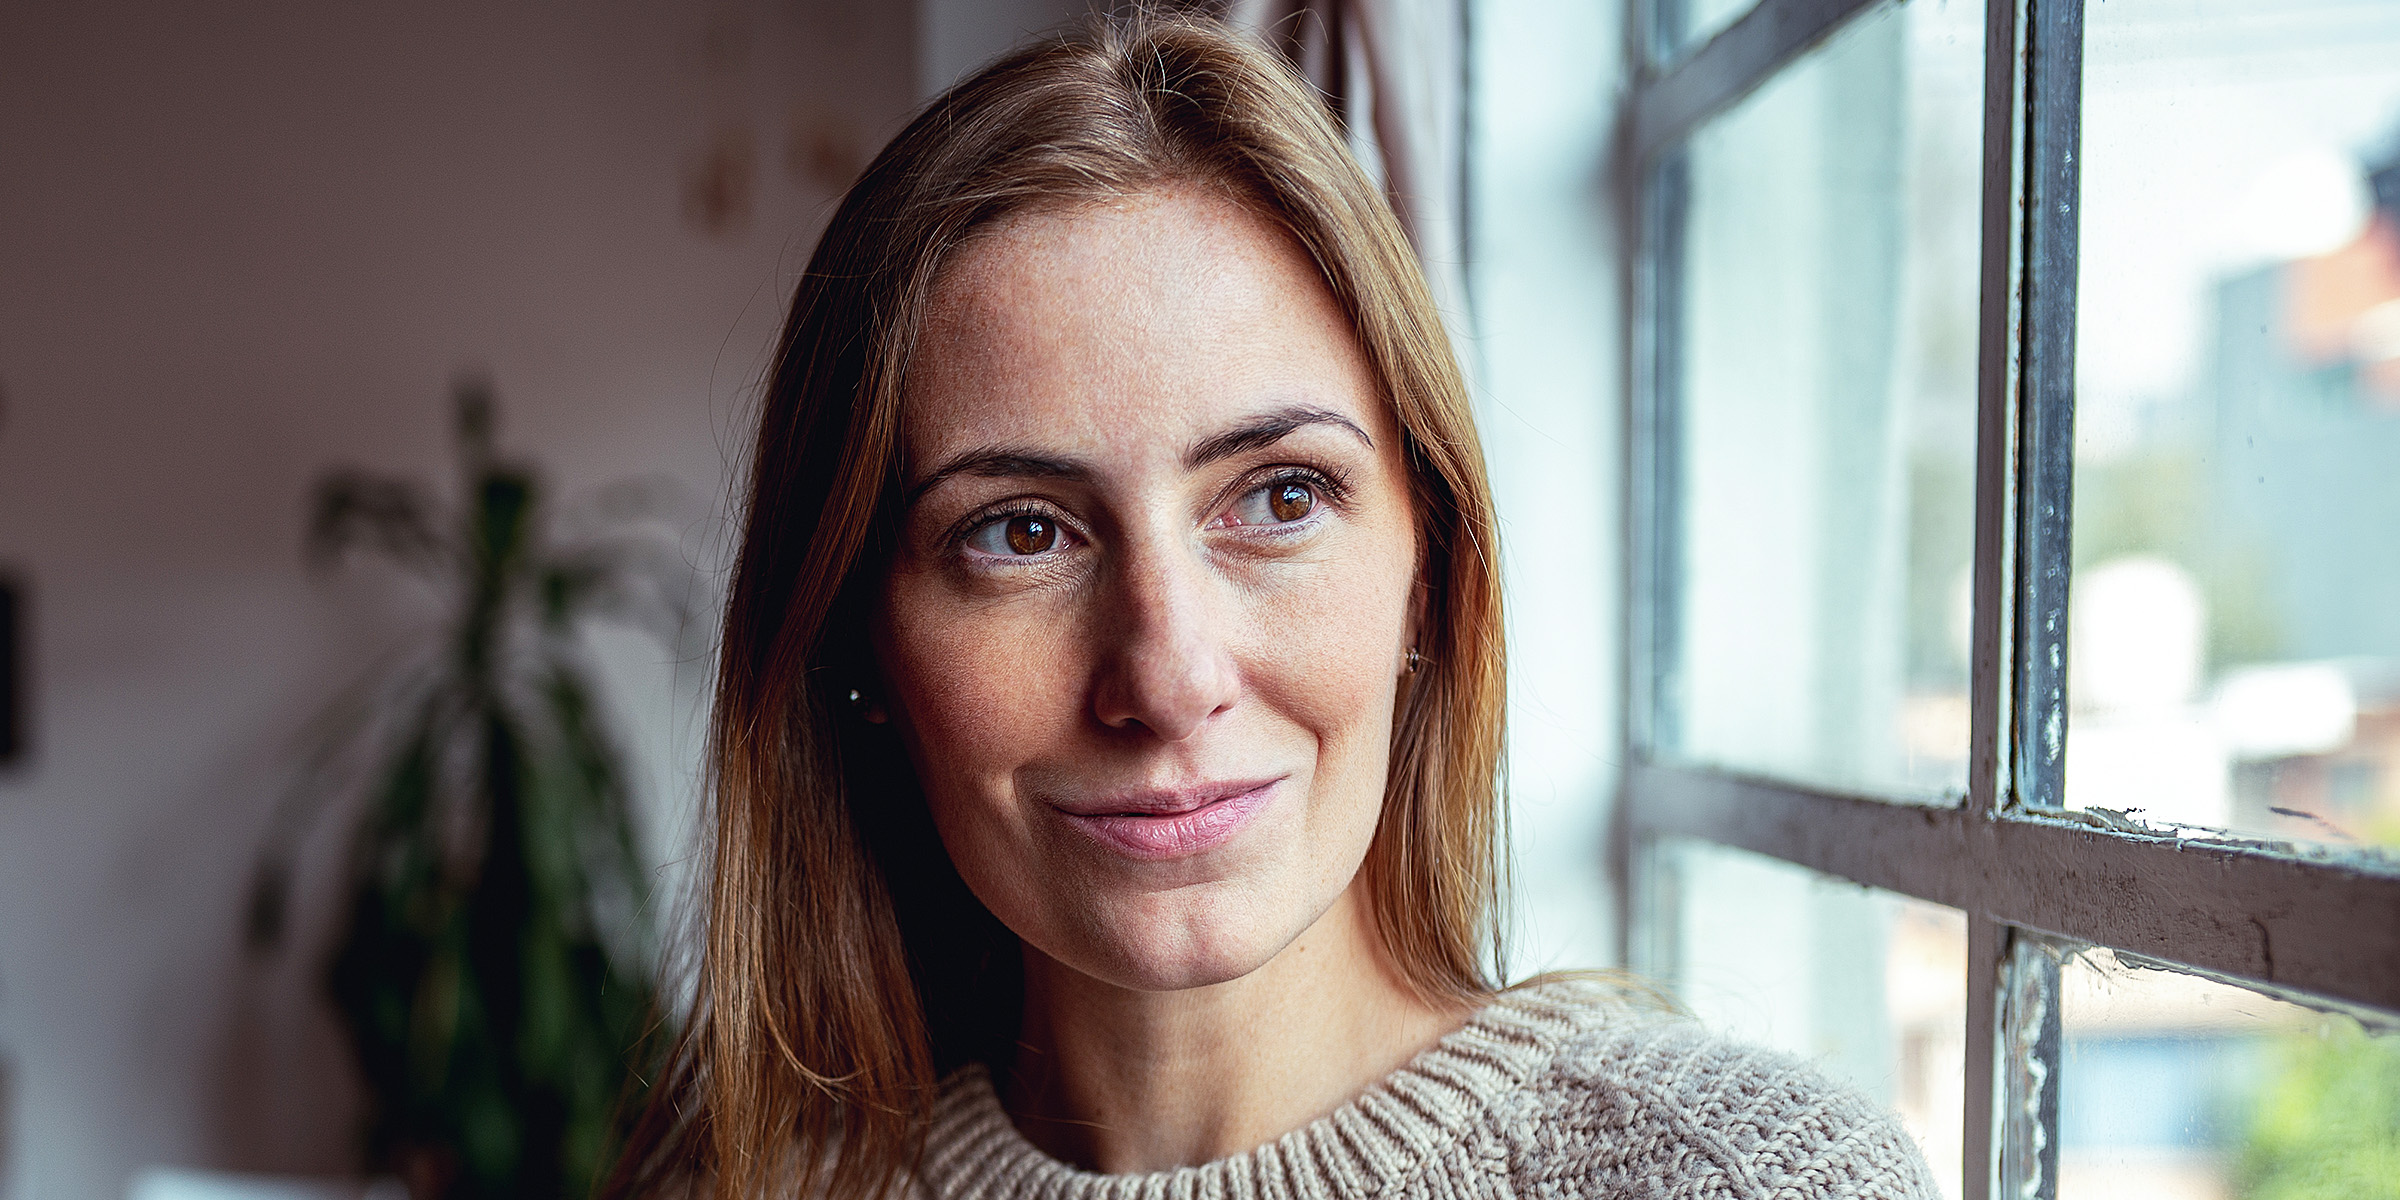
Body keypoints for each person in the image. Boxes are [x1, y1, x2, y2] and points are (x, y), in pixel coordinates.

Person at [610, 11, 1937, 1200]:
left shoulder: (1742, 1182)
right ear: (861, 643)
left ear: (1431, 572)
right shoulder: (727, 1180)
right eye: (1022, 533)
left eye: (1280, 499)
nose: (1172, 673)